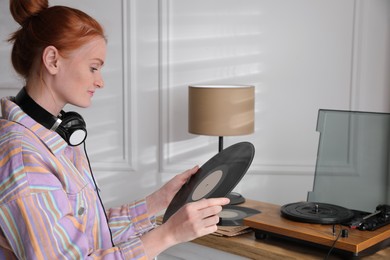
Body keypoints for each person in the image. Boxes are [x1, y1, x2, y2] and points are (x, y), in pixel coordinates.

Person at [0, 0, 229, 259]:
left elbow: (87, 233)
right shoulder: (24, 158)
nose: (100, 82)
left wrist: (159, 200)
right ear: (53, 60)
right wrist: (168, 235)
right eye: (93, 67)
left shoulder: (52, 136)